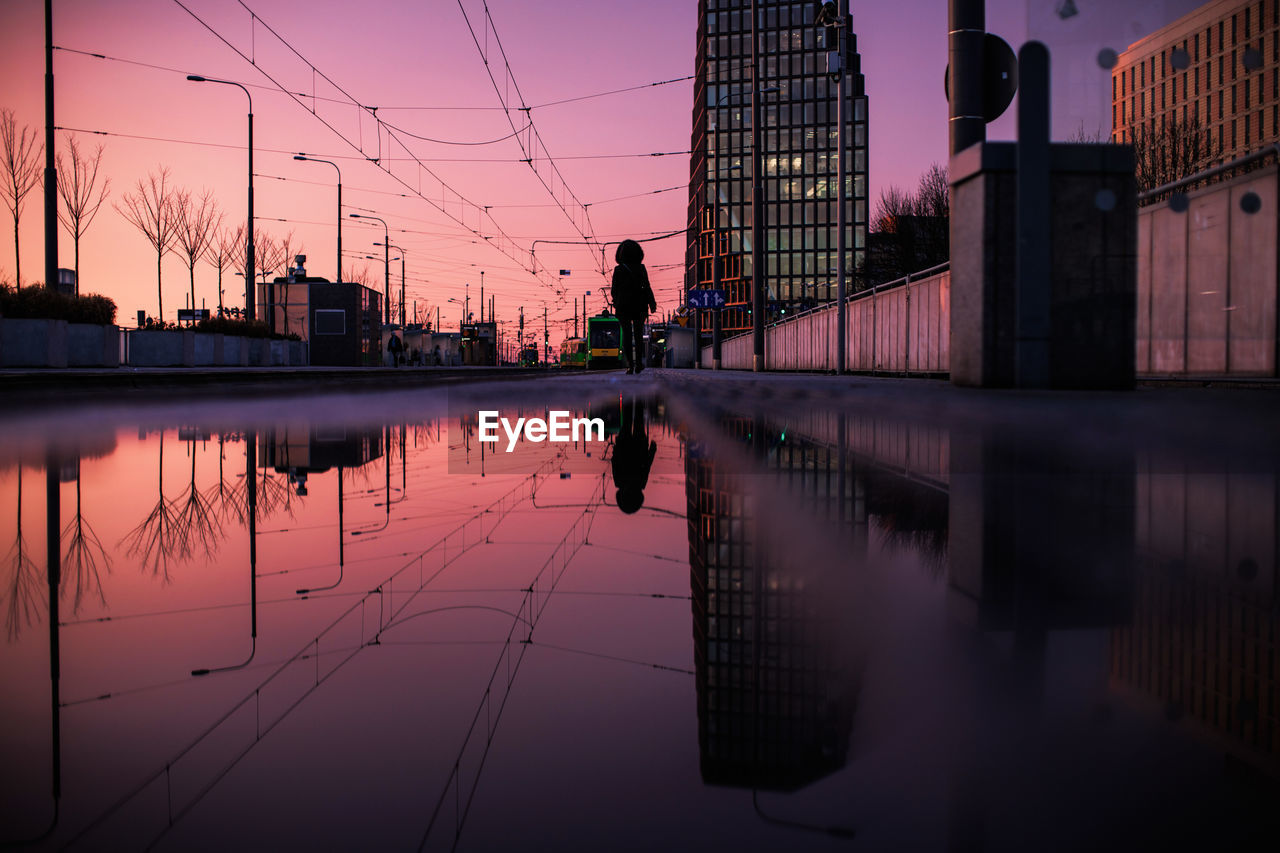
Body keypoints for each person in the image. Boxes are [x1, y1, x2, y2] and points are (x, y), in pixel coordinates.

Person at [610, 239, 657, 374]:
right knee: (638, 334)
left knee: (626, 334)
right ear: (638, 253)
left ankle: (630, 365)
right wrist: (652, 303)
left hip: (623, 306)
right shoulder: (641, 268)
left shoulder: (618, 270)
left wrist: (617, 300)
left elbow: (614, 290)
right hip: (639, 304)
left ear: (621, 254)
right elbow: (647, 286)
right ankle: (639, 364)